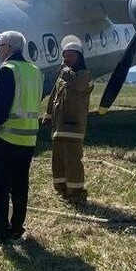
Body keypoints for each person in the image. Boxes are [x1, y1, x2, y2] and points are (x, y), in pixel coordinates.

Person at [0, 30, 43, 243]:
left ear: (8, 48)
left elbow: (0, 105)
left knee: (0, 187)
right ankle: (17, 229)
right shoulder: (35, 71)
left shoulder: (8, 70)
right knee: (20, 186)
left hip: (6, 139)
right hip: (28, 140)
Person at [43, 35, 93, 204]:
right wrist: (48, 115)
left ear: (79, 58)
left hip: (73, 127)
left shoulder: (83, 75)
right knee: (58, 159)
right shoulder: (62, 78)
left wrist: (64, 71)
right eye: (65, 55)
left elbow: (78, 85)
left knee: (72, 160)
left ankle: (76, 193)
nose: (67, 58)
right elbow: (53, 97)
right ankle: (62, 188)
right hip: (59, 127)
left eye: (71, 55)